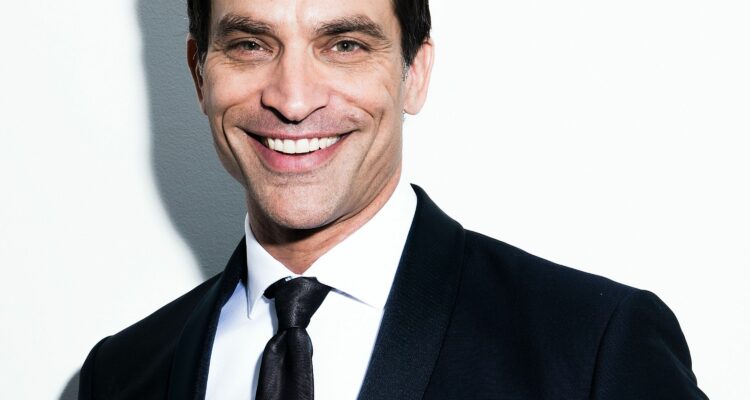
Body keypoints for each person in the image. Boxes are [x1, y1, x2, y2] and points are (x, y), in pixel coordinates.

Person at [78, 0, 708, 399]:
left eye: (344, 45)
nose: (293, 100)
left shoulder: (592, 348)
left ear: (415, 73)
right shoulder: (122, 374)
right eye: (250, 44)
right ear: (199, 73)